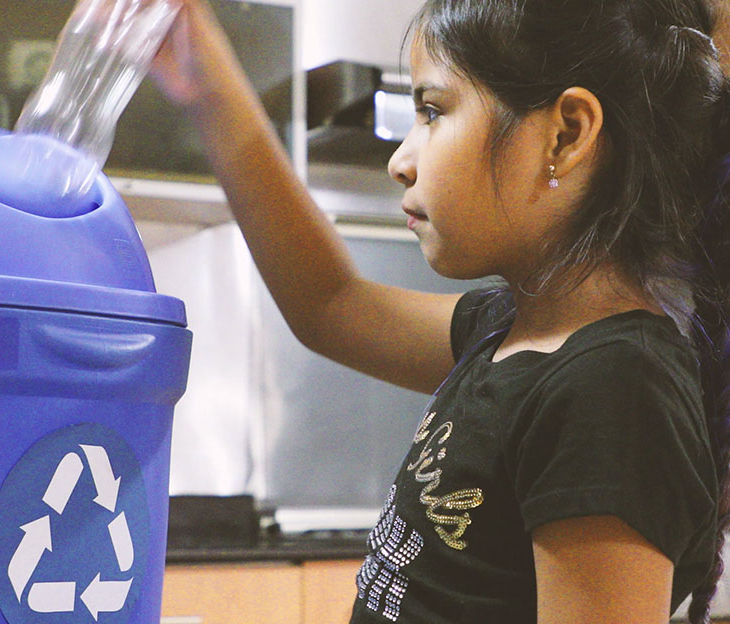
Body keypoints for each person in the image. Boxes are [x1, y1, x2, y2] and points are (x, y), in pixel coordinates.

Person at [150, 0, 730, 621]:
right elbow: (331, 305)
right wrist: (208, 87)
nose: (400, 161)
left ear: (565, 135)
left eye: (432, 111)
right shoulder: (508, 330)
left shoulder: (614, 387)